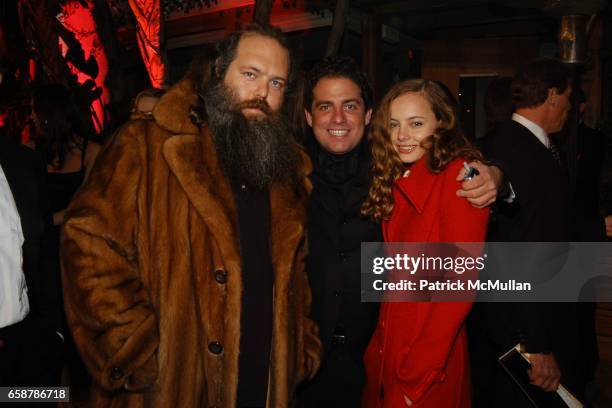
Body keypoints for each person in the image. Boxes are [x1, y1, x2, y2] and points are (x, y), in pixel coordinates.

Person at [61, 23, 321, 407]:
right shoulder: (148, 145)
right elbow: (87, 239)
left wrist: (301, 347)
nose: (262, 93)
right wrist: (131, 345)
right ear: (218, 72)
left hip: (262, 387)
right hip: (169, 388)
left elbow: (295, 275)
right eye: (250, 74)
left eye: (277, 83)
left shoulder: (288, 176)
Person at [298, 57, 504, 407]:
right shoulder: (291, 176)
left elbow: (457, 286)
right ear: (308, 116)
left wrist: (497, 175)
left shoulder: (440, 177)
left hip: (410, 364)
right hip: (327, 363)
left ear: (366, 114)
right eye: (395, 125)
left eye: (349, 105)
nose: (337, 118)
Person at [360, 79, 489, 407]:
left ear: (441, 124)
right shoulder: (398, 177)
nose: (403, 136)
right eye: (394, 124)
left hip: (428, 364)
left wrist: (417, 374)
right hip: (391, 348)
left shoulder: (459, 176)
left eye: (416, 124)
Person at [471, 57, 582, 407]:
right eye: (568, 96)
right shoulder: (524, 152)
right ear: (551, 95)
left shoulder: (502, 140)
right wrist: (536, 344)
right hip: (518, 332)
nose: (571, 105)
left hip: (496, 322)